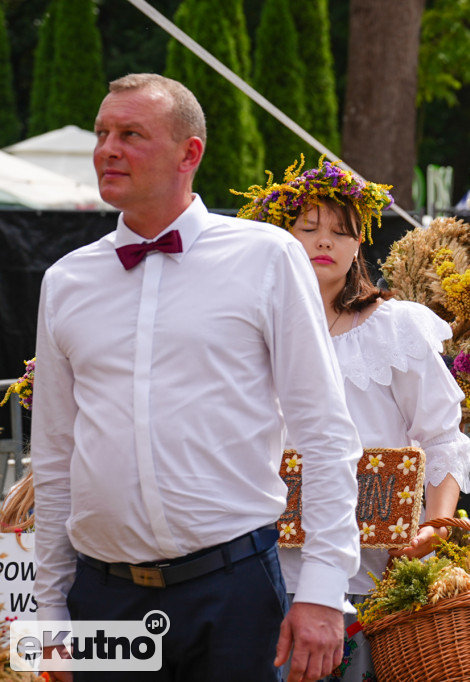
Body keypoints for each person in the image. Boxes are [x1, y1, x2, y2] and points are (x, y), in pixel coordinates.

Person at [31, 74, 361, 682]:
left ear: (190, 153)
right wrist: (50, 609)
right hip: (103, 600)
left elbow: (325, 432)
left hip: (233, 593)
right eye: (104, 133)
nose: (107, 148)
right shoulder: (66, 281)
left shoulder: (267, 257)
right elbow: (53, 459)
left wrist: (322, 585)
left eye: (131, 134)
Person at [235, 157, 470, 681]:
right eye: (309, 228)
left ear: (360, 243)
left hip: (374, 572)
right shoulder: (246, 331)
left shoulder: (395, 328)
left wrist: (433, 526)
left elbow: (442, 437)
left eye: (341, 232)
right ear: (281, 237)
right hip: (259, 565)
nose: (325, 242)